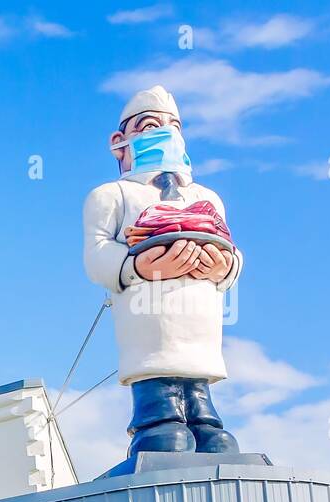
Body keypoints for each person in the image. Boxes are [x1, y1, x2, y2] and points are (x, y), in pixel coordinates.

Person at [83, 85, 243, 458]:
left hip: (199, 302)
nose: (165, 134)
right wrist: (136, 264)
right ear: (119, 142)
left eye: (174, 126)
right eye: (151, 125)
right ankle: (157, 418)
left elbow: (233, 249)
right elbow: (97, 253)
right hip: (145, 303)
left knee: (196, 363)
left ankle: (203, 418)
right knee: (157, 360)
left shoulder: (207, 198)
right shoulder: (111, 196)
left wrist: (224, 265)